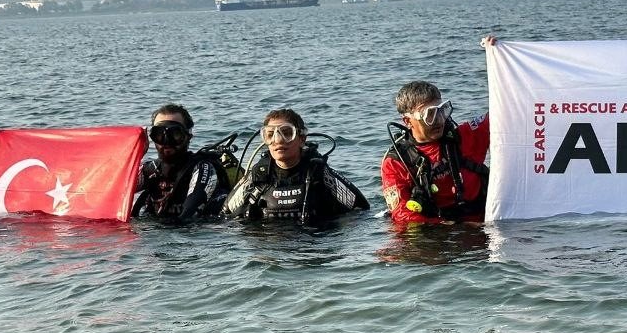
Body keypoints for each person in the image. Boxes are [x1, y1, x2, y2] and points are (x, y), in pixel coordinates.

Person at [381, 39, 496, 224]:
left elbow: (504, 112)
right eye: (430, 115)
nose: (439, 120)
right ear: (407, 121)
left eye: (442, 111)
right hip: (435, 234)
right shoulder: (396, 162)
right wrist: (447, 228)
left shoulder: (465, 136)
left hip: (479, 226)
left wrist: (498, 59)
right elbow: (402, 215)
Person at [222, 108, 369, 223]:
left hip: (312, 248)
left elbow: (362, 211)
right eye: (270, 134)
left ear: (302, 139)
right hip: (270, 252)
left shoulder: (319, 174)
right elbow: (225, 215)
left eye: (287, 133)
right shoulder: (258, 177)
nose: (278, 140)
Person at [132, 103, 231, 221]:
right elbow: (112, 188)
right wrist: (137, 155)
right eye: (159, 134)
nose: (166, 141)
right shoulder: (150, 170)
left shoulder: (202, 167)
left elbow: (190, 212)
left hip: (191, 232)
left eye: (175, 134)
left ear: (188, 136)